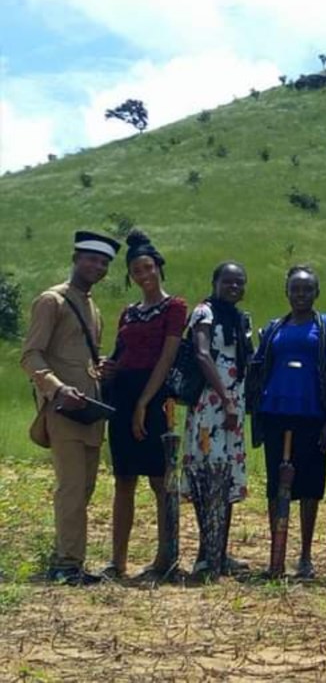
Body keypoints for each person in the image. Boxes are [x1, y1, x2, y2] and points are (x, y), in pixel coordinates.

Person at [21, 230, 121, 585]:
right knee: (72, 488)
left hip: (90, 411)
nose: (98, 266)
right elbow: (31, 355)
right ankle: (65, 565)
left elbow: (81, 357)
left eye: (105, 262)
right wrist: (58, 389)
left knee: (86, 488)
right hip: (63, 411)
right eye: (92, 259)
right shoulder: (52, 301)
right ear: (76, 258)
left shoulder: (92, 307)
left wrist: (103, 367)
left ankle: (71, 559)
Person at [101, 230, 187, 579]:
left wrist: (144, 403)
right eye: (137, 270)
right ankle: (117, 561)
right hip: (122, 394)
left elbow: (167, 357)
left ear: (158, 267)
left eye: (148, 267)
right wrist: (108, 367)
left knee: (160, 480)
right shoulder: (128, 313)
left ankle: (165, 558)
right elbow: (123, 354)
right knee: (123, 480)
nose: (144, 275)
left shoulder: (175, 307)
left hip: (156, 396)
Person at [251, 266, 326, 578]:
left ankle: (305, 556)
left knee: (309, 485)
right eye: (295, 289)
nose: (300, 295)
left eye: (307, 290)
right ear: (286, 292)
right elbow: (261, 366)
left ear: (316, 293)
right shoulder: (276, 327)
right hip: (276, 410)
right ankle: (276, 553)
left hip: (313, 414)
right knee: (276, 485)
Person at [181, 261, 253, 577]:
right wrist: (225, 398)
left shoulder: (240, 318)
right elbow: (202, 353)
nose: (234, 287)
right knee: (208, 474)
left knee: (226, 478)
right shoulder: (204, 313)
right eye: (228, 282)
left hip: (233, 406)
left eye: (239, 283)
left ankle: (219, 552)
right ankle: (205, 553)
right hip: (211, 404)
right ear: (215, 282)